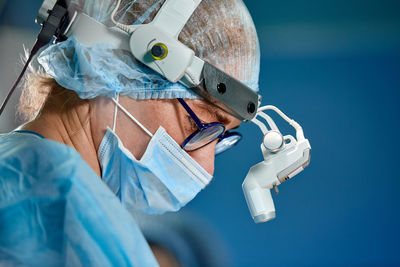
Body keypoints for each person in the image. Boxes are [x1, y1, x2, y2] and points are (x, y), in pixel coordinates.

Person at [0, 0, 260, 266]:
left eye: (219, 138)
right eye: (198, 125)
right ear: (118, 65)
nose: (206, 168)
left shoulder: (18, 170)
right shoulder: (65, 216)